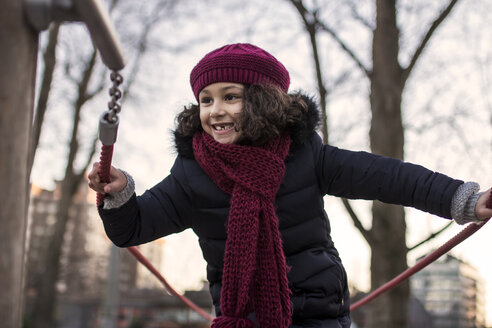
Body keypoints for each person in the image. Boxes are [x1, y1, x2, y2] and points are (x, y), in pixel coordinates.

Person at [88, 43, 492, 328]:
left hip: (320, 312)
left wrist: (463, 199)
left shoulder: (305, 155)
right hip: (244, 317)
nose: (216, 111)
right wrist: (120, 194)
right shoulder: (192, 174)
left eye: (231, 96)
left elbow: (387, 177)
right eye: (206, 100)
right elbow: (132, 229)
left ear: (264, 100)